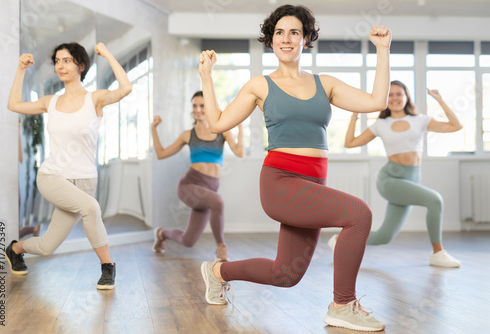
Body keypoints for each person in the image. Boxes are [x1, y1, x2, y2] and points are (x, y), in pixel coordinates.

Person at [198, 4, 391, 332]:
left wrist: (383, 50)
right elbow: (216, 123)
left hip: (312, 186)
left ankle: (217, 273)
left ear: (306, 39)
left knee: (285, 275)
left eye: (294, 32)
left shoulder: (324, 84)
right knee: (359, 215)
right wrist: (206, 76)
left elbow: (376, 102)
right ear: (271, 40)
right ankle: (343, 304)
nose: (286, 38)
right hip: (280, 183)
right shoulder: (260, 85)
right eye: (279, 32)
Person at [5, 42, 132, 290]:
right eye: (57, 61)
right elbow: (14, 105)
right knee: (91, 208)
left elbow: (126, 88)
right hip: (52, 176)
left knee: (45, 247)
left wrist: (106, 54)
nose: (60, 65)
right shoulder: (50, 101)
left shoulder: (95, 99)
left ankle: (15, 249)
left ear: (81, 66)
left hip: (84, 181)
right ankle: (108, 267)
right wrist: (21, 69)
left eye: (67, 60)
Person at [328, 81, 463, 268]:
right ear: (385, 99)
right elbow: (350, 143)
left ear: (406, 97)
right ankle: (438, 253)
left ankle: (339, 241)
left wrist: (439, 100)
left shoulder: (421, 120)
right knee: (435, 200)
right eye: (390, 95)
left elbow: (455, 126)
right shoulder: (381, 124)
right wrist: (355, 115)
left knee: (384, 236)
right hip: (390, 180)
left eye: (399, 94)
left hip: (411, 180)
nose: (394, 98)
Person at [151, 91, 245, 261]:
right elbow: (161, 153)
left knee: (188, 241)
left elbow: (240, 152)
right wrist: (154, 129)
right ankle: (221, 246)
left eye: (203, 105)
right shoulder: (188, 135)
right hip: (189, 186)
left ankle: (161, 233)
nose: (198, 109)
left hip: (209, 189)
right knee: (218, 201)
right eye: (195, 105)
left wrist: (240, 127)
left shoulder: (222, 132)